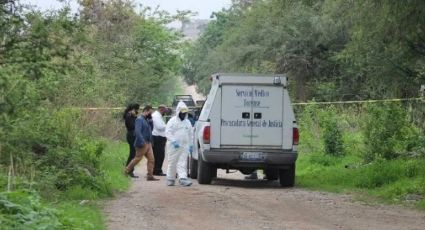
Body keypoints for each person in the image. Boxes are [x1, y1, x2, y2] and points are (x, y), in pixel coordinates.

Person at [125, 105, 159, 181]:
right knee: (137, 159)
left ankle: (150, 175)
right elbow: (137, 131)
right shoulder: (139, 120)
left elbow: (151, 129)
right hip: (142, 143)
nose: (151, 114)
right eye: (150, 112)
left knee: (151, 159)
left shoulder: (147, 120)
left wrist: (151, 120)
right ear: (146, 111)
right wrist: (142, 141)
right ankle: (126, 171)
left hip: (148, 143)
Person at [165, 101, 194, 186]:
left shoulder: (187, 122)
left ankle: (183, 178)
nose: (184, 114)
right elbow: (168, 132)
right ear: (178, 112)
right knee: (172, 162)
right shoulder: (172, 121)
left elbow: (190, 134)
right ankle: (170, 178)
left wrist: (191, 145)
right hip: (173, 146)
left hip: (184, 146)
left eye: (185, 113)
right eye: (182, 113)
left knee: (183, 162)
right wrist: (173, 141)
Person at [123, 103, 140, 178]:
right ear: (133, 109)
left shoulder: (130, 115)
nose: (137, 111)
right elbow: (132, 126)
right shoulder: (129, 116)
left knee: (133, 153)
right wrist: (135, 117)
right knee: (132, 154)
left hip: (132, 135)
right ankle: (128, 170)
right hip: (131, 135)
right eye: (136, 110)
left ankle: (129, 170)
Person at [152, 105, 168, 176]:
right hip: (158, 137)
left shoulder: (158, 116)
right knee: (159, 155)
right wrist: (168, 125)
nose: (165, 112)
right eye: (165, 111)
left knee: (159, 155)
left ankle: (156, 169)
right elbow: (159, 127)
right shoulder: (156, 116)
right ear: (161, 109)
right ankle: (157, 170)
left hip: (160, 137)